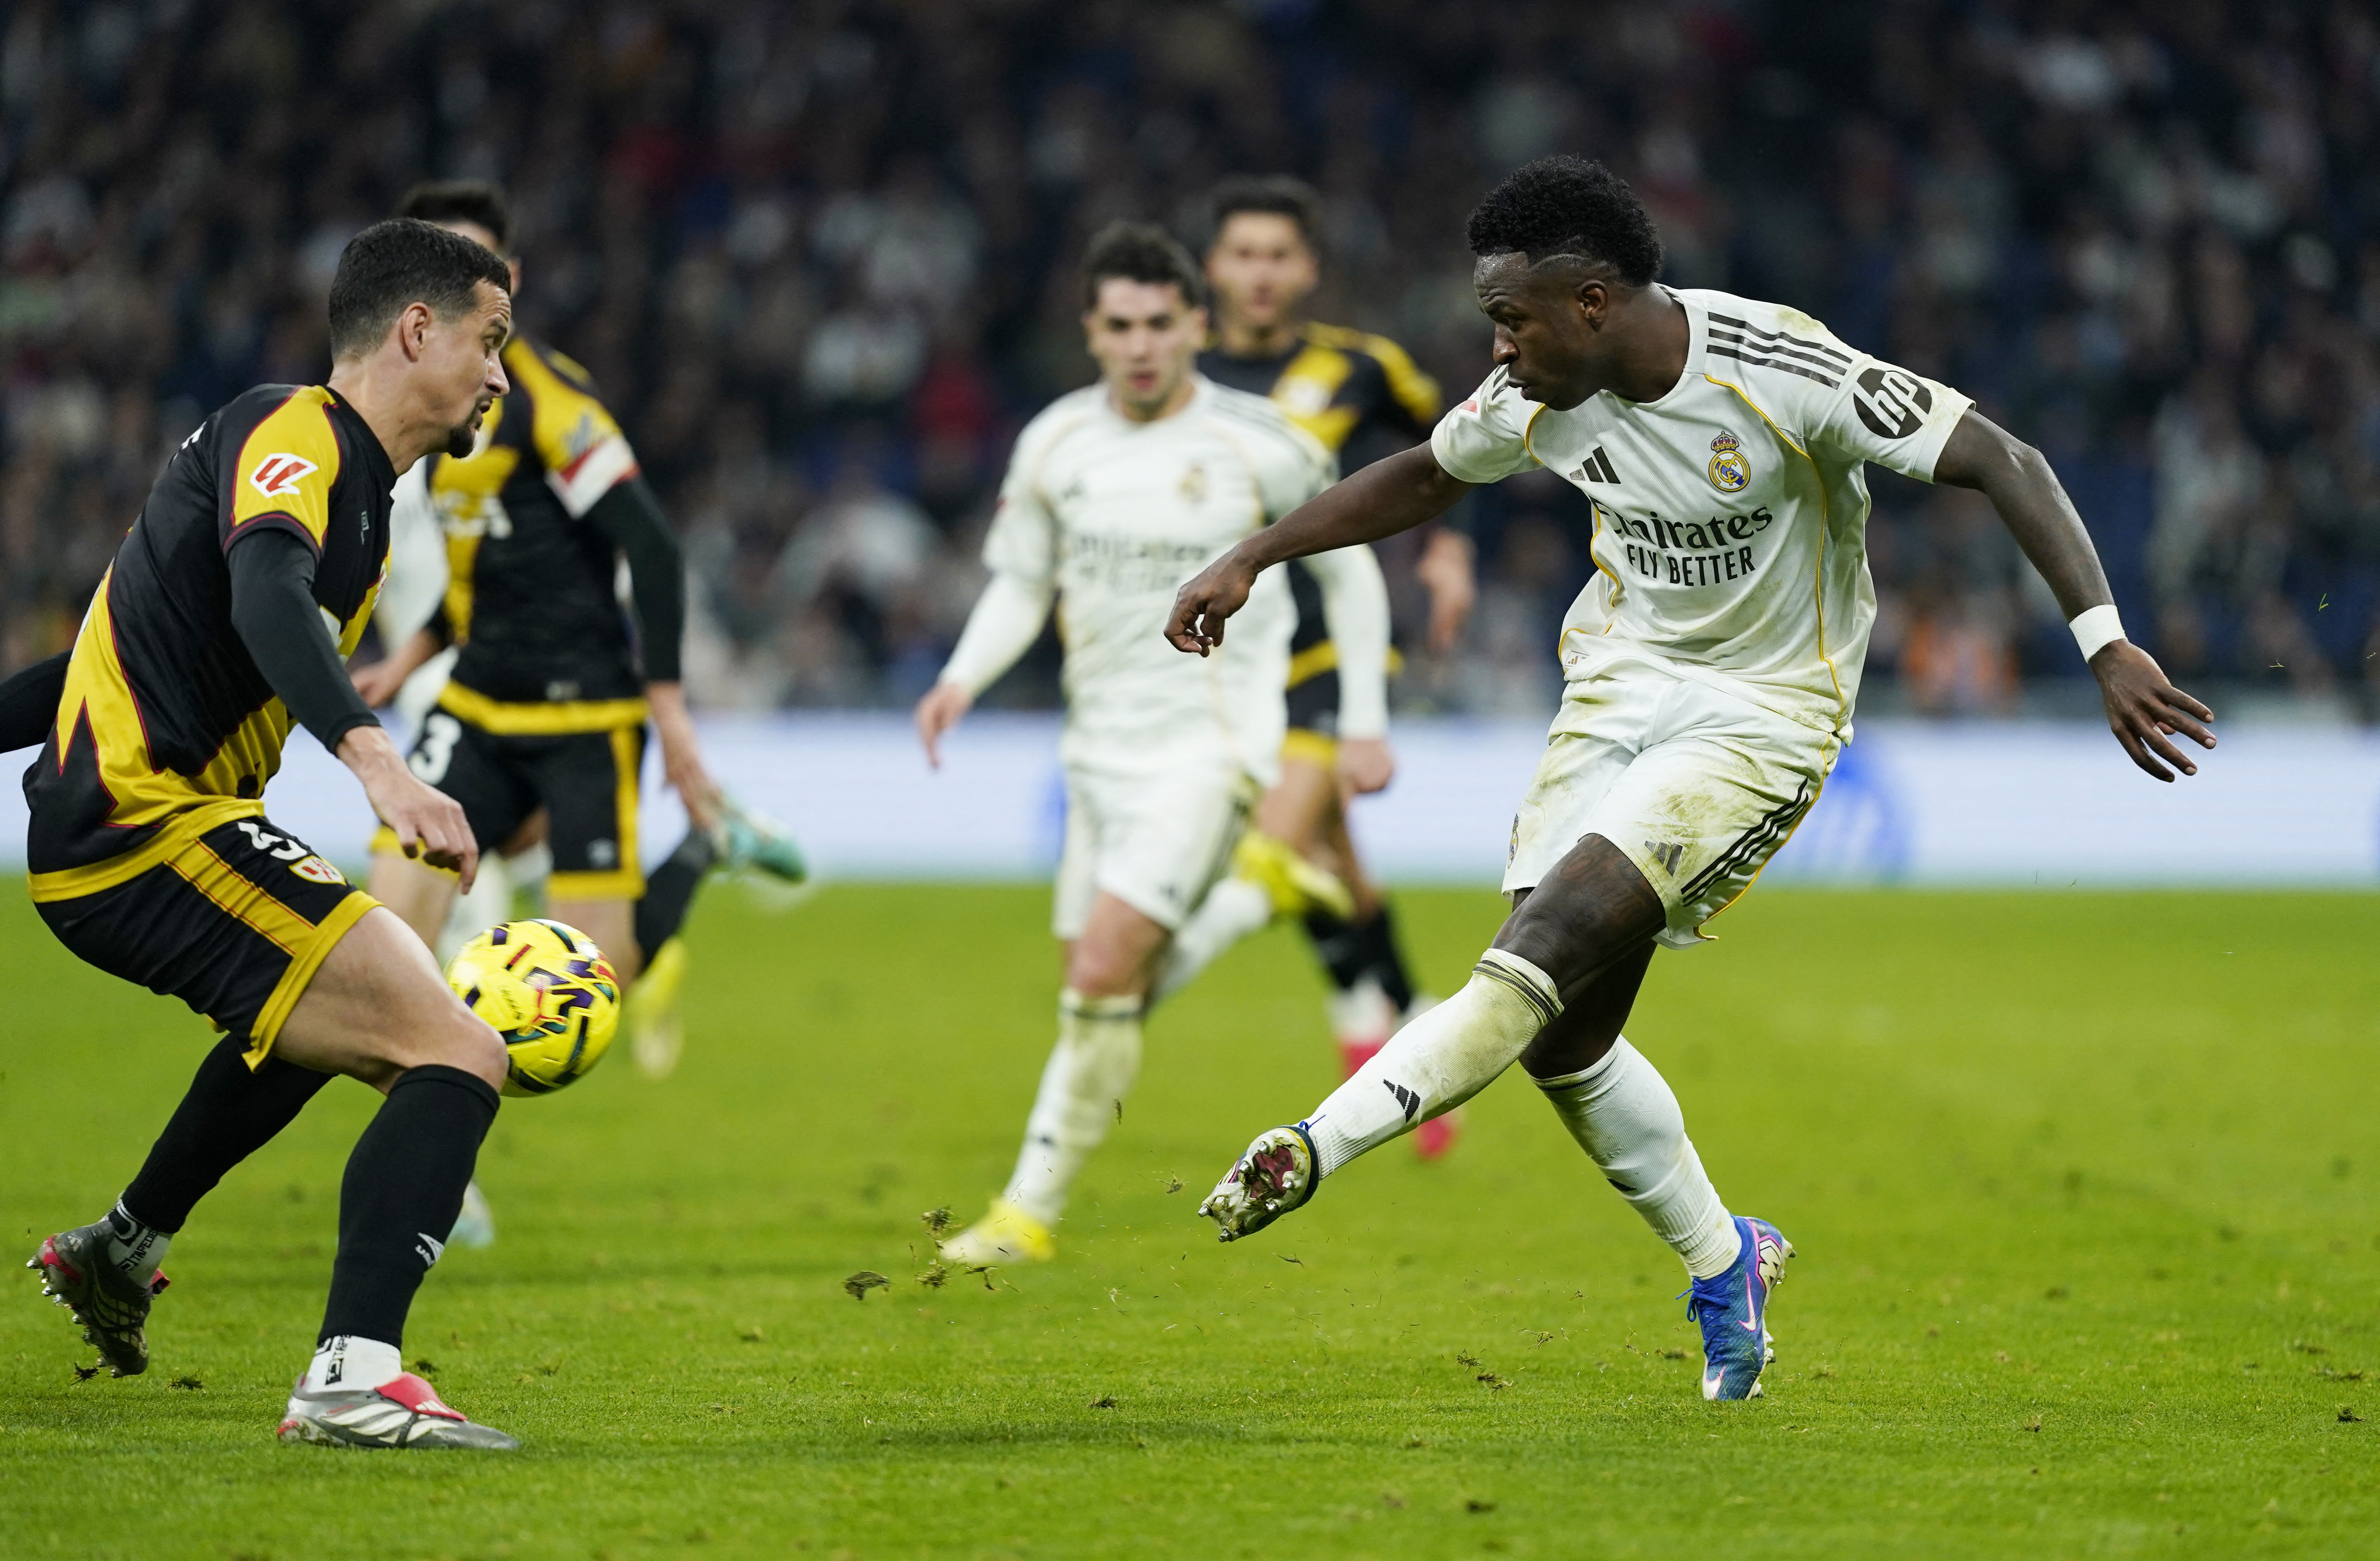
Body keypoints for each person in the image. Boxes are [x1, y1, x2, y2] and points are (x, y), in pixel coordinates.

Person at [1167, 157, 2216, 1401]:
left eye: (1513, 316)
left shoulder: (1778, 367)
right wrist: (1254, 556)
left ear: (1595, 301)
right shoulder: (1534, 395)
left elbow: (2003, 456)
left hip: (1764, 715)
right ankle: (1729, 1263)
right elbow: (1431, 474)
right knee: (1564, 1037)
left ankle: (1309, 1146)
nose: (1497, 344)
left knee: (1536, 957)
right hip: (1616, 688)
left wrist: (2105, 644)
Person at [23, 219, 530, 1446]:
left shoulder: (358, 503)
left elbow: (107, 643)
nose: (502, 375)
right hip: (143, 827)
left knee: (314, 1027)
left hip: (144, 825)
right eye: (492, 339)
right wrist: (377, 763)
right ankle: (352, 1374)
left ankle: (122, 1244)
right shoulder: (294, 431)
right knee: (455, 1052)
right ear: (417, 331)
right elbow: (263, 593)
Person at [918, 222, 1390, 1267]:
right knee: (1100, 995)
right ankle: (1259, 896)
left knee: (1103, 969)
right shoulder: (1054, 443)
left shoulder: (1261, 442)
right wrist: (959, 677)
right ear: (1092, 331)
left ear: (1193, 326)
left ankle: (1027, 1211)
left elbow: (1351, 574)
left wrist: (1361, 718)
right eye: (1119, 326)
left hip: (1211, 748)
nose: (1140, 345)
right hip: (1096, 754)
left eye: (1159, 325)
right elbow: (1022, 581)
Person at [352, 182, 805, 1090]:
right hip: (477, 704)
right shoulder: (431, 413)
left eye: (471, 264)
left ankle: (702, 849)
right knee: (379, 963)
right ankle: (432, 1192)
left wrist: (669, 714)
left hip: (584, 719)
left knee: (582, 1014)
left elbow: (655, 549)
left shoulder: (548, 404)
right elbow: (494, 570)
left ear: (507, 285)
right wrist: (406, 658)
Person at [1180, 178, 1473, 1158]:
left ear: (1307, 268)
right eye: (1243, 254)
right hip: (1226, 656)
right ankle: (1412, 1014)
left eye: (1279, 255)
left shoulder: (1362, 368)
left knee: (1279, 844)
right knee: (1333, 858)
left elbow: (1450, 455)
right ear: (1213, 268)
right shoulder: (1176, 373)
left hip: (1328, 644)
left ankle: (1361, 1018)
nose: (1261, 274)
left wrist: (1445, 554)